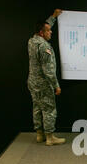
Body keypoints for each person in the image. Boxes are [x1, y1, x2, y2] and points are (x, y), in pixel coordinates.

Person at [27, 9, 65, 146]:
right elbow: (48, 71)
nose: (51, 32)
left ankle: (39, 134)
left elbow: (44, 26)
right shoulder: (44, 47)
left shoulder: (32, 41)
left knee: (37, 107)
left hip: (33, 82)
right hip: (43, 83)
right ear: (42, 33)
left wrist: (53, 17)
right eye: (48, 31)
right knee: (49, 109)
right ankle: (50, 137)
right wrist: (56, 86)